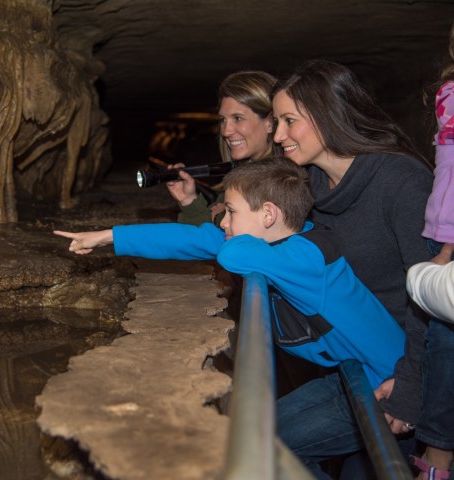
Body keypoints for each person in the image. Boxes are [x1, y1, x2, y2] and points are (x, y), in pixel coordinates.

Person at [53, 157, 406, 435]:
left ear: (269, 214)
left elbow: (231, 254)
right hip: (350, 375)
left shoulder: (305, 258)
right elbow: (193, 239)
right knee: (261, 434)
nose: (223, 221)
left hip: (390, 386)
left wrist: (227, 239)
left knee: (278, 447)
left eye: (232, 212)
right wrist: (106, 236)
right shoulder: (289, 243)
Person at [271, 59, 433, 478]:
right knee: (254, 435)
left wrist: (411, 388)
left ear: (328, 113)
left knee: (268, 446)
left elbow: (433, 298)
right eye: (275, 122)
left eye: (289, 121)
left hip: (407, 372)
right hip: (355, 364)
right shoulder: (313, 188)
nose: (277, 135)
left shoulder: (401, 180)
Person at [409, 23, 454, 479]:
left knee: (444, 340)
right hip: (438, 229)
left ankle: (438, 457)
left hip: (450, 238)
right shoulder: (447, 91)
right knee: (435, 338)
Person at [166, 71, 278, 226]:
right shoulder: (239, 178)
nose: (225, 131)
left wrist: (220, 217)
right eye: (222, 120)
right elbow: (209, 239)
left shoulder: (284, 180)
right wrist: (188, 201)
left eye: (238, 118)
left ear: (270, 122)